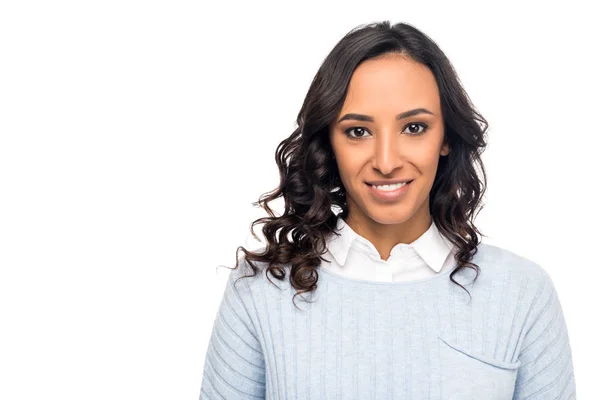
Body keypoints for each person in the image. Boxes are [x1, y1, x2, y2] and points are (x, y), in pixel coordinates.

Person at [199, 21, 576, 399]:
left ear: (445, 137)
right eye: (358, 131)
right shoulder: (260, 292)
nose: (386, 161)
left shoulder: (522, 293)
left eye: (414, 127)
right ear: (328, 141)